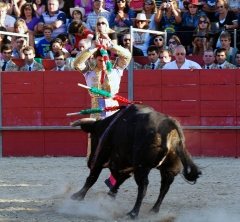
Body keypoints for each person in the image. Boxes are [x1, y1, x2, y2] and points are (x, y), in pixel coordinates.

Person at [73, 39, 131, 189]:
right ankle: (95, 168)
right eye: (100, 60)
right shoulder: (89, 71)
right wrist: (92, 48)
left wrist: (111, 46)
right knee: (96, 146)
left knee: (118, 143)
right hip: (96, 111)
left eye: (105, 60)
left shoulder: (117, 68)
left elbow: (127, 56)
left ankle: (113, 178)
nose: (103, 63)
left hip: (113, 109)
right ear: (95, 59)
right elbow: (76, 63)